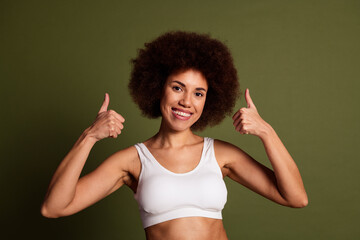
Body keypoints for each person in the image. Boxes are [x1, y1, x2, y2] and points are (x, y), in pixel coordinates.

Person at [41, 31, 308, 240]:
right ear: (159, 89)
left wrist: (266, 132)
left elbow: (296, 198)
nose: (186, 102)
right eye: (178, 88)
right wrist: (89, 137)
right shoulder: (133, 160)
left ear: (208, 100)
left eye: (198, 93)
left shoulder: (221, 154)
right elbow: (53, 208)